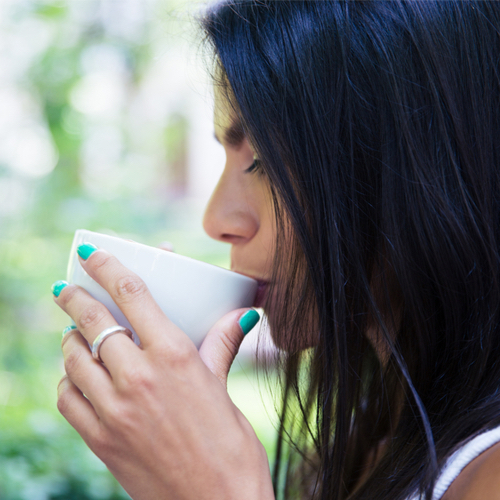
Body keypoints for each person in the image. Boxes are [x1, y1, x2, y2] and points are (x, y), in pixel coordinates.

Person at [50, 1, 500, 499]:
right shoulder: (368, 440)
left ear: (423, 158)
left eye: (262, 161)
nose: (217, 221)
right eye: (228, 156)